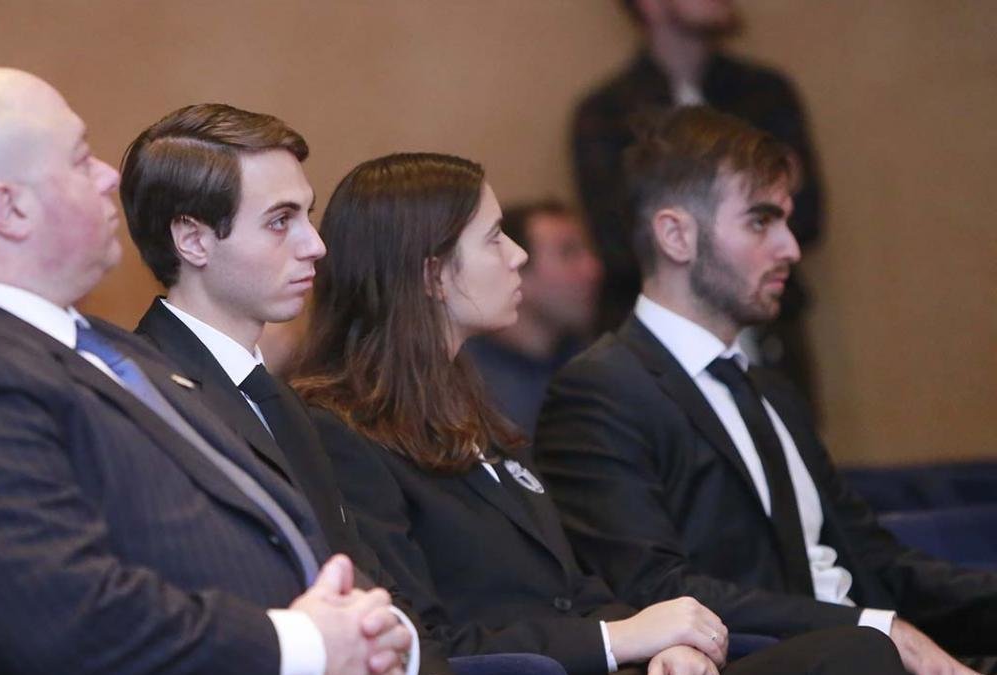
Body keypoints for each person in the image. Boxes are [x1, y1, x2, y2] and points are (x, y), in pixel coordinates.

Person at [0, 67, 411, 675]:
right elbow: (59, 617)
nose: (109, 177)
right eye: (80, 160)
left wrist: (368, 629)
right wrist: (304, 645)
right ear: (10, 209)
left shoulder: (100, 345)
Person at [289, 152, 905, 674]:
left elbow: (574, 588)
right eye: (495, 237)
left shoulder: (465, 411)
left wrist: (661, 644)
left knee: (855, 651)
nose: (518, 257)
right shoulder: (340, 432)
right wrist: (618, 641)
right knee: (855, 656)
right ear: (432, 275)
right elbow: (417, 644)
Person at [536, 106, 997, 674]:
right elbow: (658, 587)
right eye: (761, 222)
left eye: (786, 220)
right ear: (677, 234)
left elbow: (876, 560)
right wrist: (871, 629)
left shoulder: (770, 390)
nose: (791, 248)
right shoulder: (601, 390)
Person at [121, 103, 450, 672]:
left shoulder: (278, 398)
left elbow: (358, 567)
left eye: (308, 215)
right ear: (194, 241)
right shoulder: (146, 396)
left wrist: (397, 637)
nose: (315, 245)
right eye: (280, 221)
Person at [573, 0, 822, 405]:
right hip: (657, 356)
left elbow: (808, 218)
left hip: (772, 338)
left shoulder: (766, 94)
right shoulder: (606, 113)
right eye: (759, 220)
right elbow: (616, 244)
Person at [462, 200, 602, 436]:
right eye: (569, 253)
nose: (593, 268)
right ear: (515, 269)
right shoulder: (470, 388)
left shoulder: (593, 361)